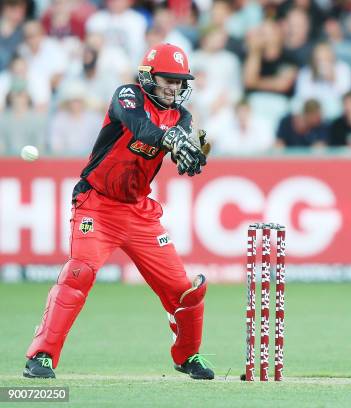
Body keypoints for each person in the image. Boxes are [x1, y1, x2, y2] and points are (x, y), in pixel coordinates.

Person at [22, 43, 213, 380]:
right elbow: (141, 128)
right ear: (148, 77)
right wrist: (172, 140)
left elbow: (181, 135)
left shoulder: (181, 115)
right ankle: (42, 355)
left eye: (180, 81)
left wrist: (190, 152)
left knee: (186, 289)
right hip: (96, 204)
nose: (174, 88)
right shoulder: (128, 95)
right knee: (79, 273)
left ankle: (188, 356)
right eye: (168, 79)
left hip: (139, 212)